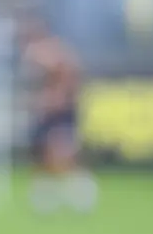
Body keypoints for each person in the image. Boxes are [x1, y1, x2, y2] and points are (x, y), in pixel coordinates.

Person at [20, 16, 97, 213]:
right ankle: (45, 199)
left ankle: (82, 195)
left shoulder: (51, 52)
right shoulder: (35, 53)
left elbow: (68, 74)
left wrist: (57, 99)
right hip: (47, 111)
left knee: (62, 155)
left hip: (60, 111)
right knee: (42, 156)